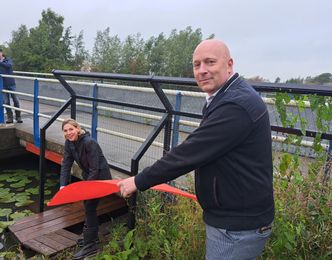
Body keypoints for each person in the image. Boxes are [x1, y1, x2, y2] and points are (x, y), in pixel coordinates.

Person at [117, 39, 274, 260]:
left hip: (237, 226)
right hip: (232, 217)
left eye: (210, 62)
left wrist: (138, 181)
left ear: (229, 64)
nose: (202, 71)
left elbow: (190, 153)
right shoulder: (223, 96)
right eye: (196, 64)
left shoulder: (235, 106)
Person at [60, 118, 112, 260]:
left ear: (78, 128)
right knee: (88, 206)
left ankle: (91, 245)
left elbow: (95, 169)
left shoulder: (89, 143)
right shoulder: (69, 143)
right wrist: (63, 186)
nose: (69, 133)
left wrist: (87, 190)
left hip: (101, 178)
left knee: (89, 207)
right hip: (89, 176)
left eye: (71, 129)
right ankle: (90, 238)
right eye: (65, 131)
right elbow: (66, 164)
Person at [0, 49, 22, 123]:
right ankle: (10, 118)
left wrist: (0, 63)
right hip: (3, 85)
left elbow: (9, 66)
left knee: (16, 100)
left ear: (1, 53)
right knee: (6, 102)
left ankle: (18, 117)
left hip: (11, 84)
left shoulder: (8, 60)